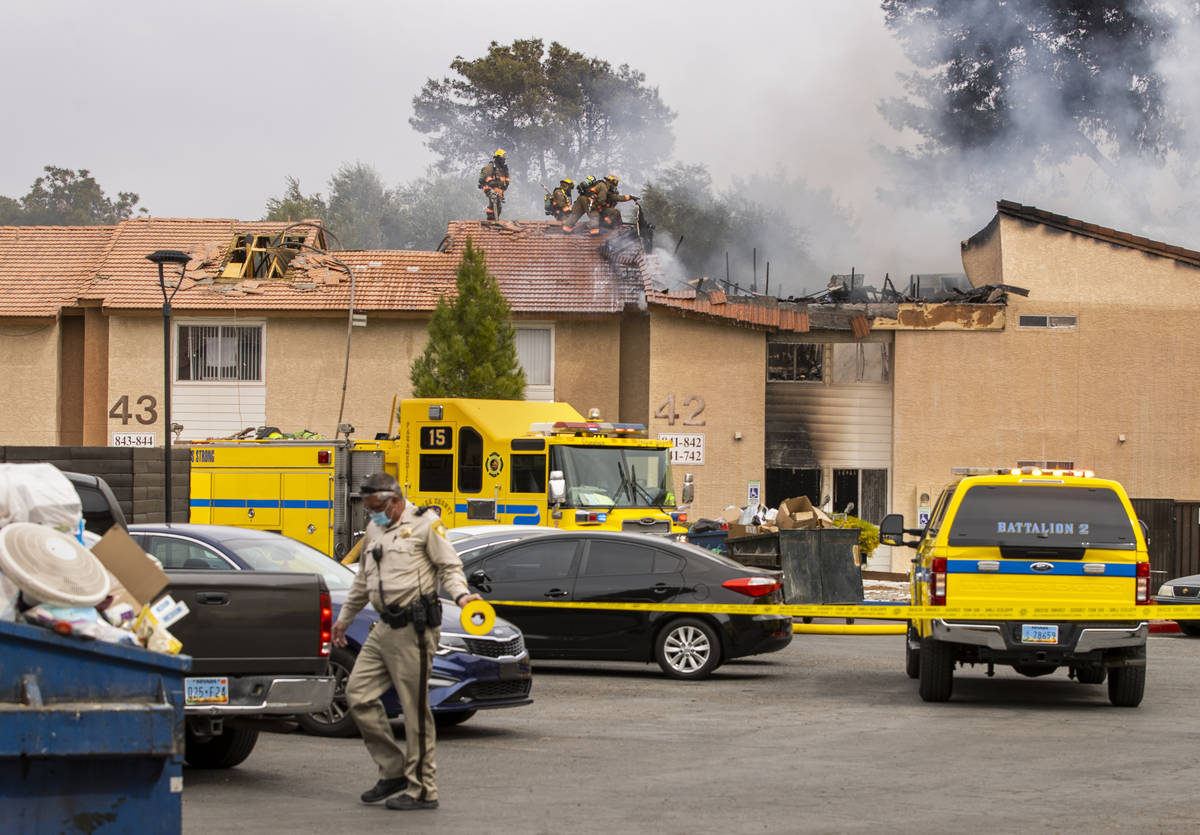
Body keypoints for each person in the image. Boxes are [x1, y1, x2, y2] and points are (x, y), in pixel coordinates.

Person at [332, 472, 482, 811]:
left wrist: (461, 598)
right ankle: (393, 770)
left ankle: (423, 789)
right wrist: (344, 620)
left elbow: (450, 568)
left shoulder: (426, 524)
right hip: (382, 627)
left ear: (395, 501)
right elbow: (362, 582)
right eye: (369, 509)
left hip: (414, 629)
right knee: (356, 695)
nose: (372, 514)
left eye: (376, 508)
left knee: (415, 712)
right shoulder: (374, 529)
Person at [477, 149, 510, 220]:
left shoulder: (503, 169)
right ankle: (490, 219)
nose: (504, 161)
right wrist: (490, 183)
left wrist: (502, 190)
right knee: (494, 202)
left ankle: (494, 220)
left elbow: (506, 182)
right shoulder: (491, 166)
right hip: (490, 189)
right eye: (502, 159)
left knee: (499, 207)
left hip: (499, 191)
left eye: (504, 159)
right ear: (498, 158)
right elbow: (483, 178)